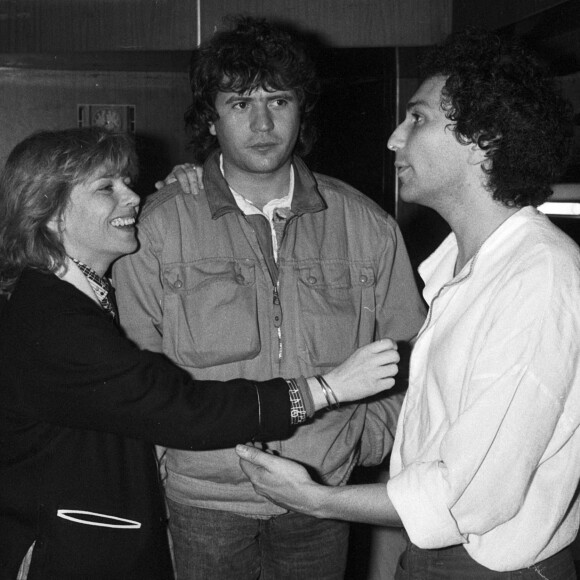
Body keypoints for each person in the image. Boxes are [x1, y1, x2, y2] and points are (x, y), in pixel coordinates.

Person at [236, 27, 580, 580]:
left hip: (492, 566)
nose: (395, 138)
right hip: (441, 556)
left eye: (417, 119)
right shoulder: (462, 269)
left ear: (482, 137)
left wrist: (318, 499)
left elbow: (467, 494)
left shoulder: (538, 279)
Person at [0, 127, 400, 580]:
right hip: (70, 551)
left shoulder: (74, 295)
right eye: (106, 188)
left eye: (127, 182)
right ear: (50, 213)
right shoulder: (53, 318)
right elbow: (178, 407)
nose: (133, 198)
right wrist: (325, 389)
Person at [113, 15, 426, 580]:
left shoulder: (365, 225)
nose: (262, 123)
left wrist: (355, 445)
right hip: (202, 501)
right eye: (239, 104)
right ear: (211, 117)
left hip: (321, 497)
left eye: (279, 101)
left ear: (301, 109)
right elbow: (136, 373)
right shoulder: (158, 227)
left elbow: (414, 358)